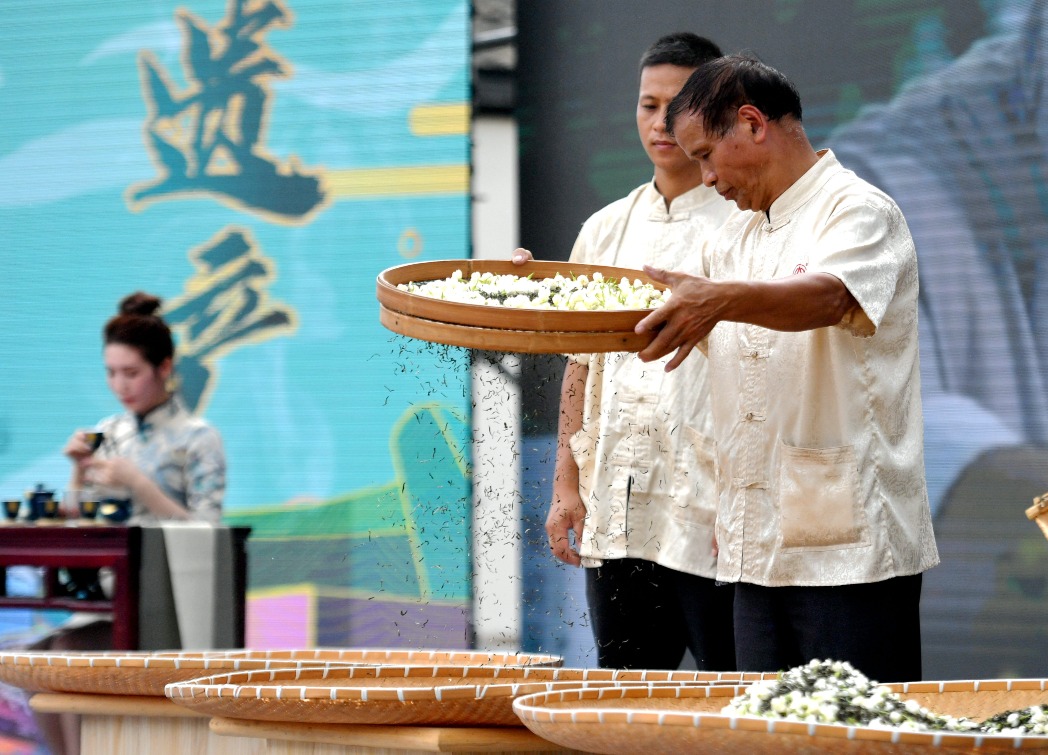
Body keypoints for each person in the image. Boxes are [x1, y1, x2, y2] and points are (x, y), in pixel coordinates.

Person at [635, 54, 939, 683]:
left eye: (706, 155)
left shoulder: (858, 209)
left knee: (861, 737)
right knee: (764, 737)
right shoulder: (733, 239)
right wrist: (535, 291)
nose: (708, 178)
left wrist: (722, 299)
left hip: (852, 550)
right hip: (752, 551)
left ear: (751, 123)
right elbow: (657, 308)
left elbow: (830, 296)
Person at [514, 32, 737, 671]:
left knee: (733, 695)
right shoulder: (606, 227)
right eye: (647, 104)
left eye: (679, 105)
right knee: (626, 692)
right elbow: (581, 366)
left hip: (712, 511)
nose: (661, 123)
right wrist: (566, 486)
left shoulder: (746, 220)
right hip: (620, 505)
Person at [36, 291, 226, 755]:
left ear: (164, 368)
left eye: (131, 373)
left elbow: (208, 530)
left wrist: (141, 485)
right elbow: (80, 518)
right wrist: (77, 471)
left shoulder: (199, 438)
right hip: (109, 593)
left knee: (67, 657)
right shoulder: (108, 432)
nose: (120, 385)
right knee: (33, 663)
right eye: (111, 373)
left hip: (168, 598)